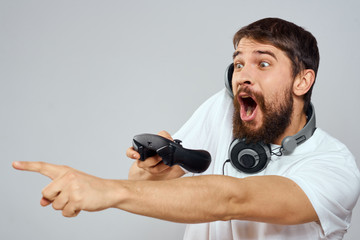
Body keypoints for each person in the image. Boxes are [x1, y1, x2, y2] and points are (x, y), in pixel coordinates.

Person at [13, 18, 360, 240]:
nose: (243, 74)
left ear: (303, 80)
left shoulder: (335, 167)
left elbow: (233, 198)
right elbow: (145, 183)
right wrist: (152, 169)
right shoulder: (223, 111)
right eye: (238, 63)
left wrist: (107, 191)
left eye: (263, 63)